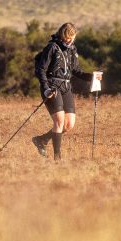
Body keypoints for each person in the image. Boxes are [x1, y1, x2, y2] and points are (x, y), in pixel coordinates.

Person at [31, 22, 81, 160]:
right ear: (61, 35)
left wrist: (93, 77)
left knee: (69, 124)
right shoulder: (52, 47)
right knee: (59, 121)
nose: (69, 41)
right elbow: (41, 69)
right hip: (52, 86)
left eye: (72, 38)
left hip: (66, 87)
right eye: (67, 38)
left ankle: (41, 140)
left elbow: (76, 71)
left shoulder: (72, 49)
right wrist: (46, 88)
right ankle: (57, 159)